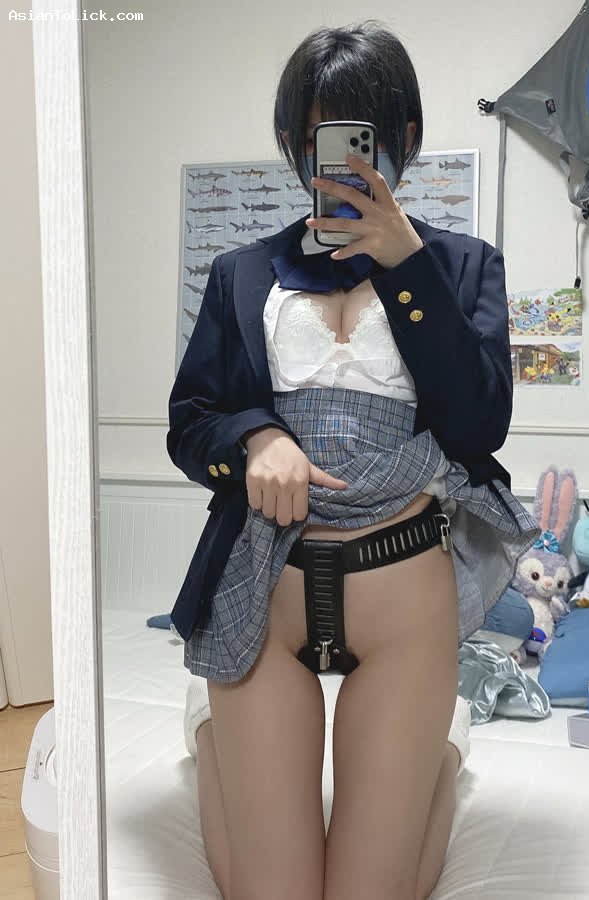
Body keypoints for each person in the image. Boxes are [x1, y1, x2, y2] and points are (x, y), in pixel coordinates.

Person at [168, 20, 539, 900]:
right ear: (293, 141)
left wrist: (406, 265)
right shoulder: (241, 272)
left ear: (402, 137)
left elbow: (478, 424)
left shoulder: (461, 267)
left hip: (403, 595)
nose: (334, 159)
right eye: (317, 136)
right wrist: (254, 438)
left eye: (360, 135)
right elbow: (190, 422)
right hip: (265, 583)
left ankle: (441, 759)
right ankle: (213, 742)